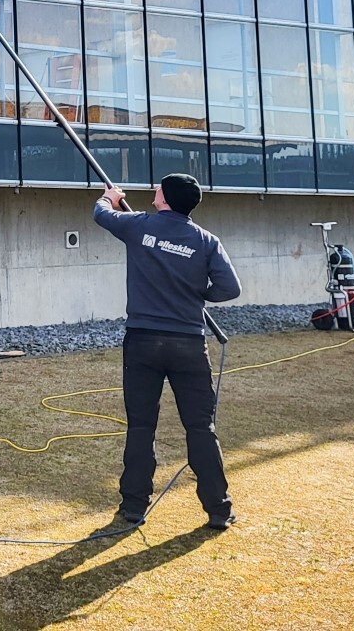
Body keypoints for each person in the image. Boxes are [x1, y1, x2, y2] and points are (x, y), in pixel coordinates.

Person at [93, 173, 241, 530]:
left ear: (165, 198)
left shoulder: (139, 226)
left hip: (142, 342)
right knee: (201, 428)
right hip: (189, 343)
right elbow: (229, 288)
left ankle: (133, 506)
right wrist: (198, 293)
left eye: (158, 189)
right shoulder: (206, 240)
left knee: (141, 426)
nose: (153, 193)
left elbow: (101, 214)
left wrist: (109, 197)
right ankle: (218, 510)